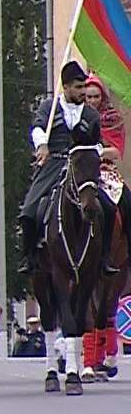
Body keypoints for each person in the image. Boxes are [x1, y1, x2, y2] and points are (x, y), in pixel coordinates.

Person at [18, 61, 109, 275]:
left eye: (84, 87)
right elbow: (38, 128)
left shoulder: (91, 115)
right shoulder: (48, 108)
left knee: (110, 207)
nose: (83, 92)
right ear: (66, 86)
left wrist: (94, 152)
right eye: (78, 88)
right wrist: (42, 145)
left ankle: (104, 257)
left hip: (83, 166)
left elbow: (98, 142)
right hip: (54, 163)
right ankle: (29, 256)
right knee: (29, 211)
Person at [84, 74, 131, 264]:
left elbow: (116, 151)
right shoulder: (75, 117)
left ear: (102, 97)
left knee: (127, 201)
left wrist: (97, 152)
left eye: (96, 97)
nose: (93, 101)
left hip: (104, 170)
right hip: (78, 169)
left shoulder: (113, 118)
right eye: (89, 97)